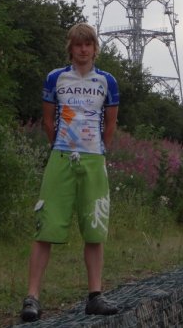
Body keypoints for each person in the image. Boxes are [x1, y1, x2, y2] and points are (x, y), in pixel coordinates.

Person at [20, 23, 120, 322]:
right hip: (61, 157)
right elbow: (47, 121)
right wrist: (59, 147)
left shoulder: (107, 81)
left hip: (94, 159)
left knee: (94, 227)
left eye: (88, 44)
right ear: (71, 47)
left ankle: (95, 295)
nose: (83, 49)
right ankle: (32, 297)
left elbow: (111, 124)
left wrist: (101, 153)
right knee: (46, 225)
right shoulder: (56, 78)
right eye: (78, 44)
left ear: (94, 47)